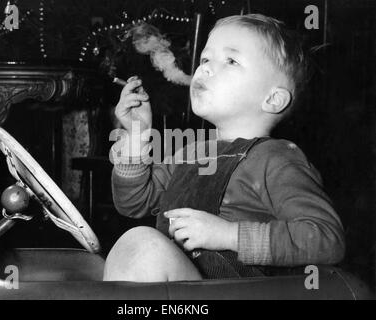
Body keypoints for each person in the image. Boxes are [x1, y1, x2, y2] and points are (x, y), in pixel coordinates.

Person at [103, 14, 345, 282]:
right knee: (133, 244)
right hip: (183, 292)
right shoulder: (192, 153)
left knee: (143, 244)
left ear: (273, 99)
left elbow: (326, 239)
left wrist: (228, 235)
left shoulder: (276, 159)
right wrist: (137, 135)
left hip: (235, 293)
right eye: (205, 59)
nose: (204, 69)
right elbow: (133, 203)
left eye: (230, 61)